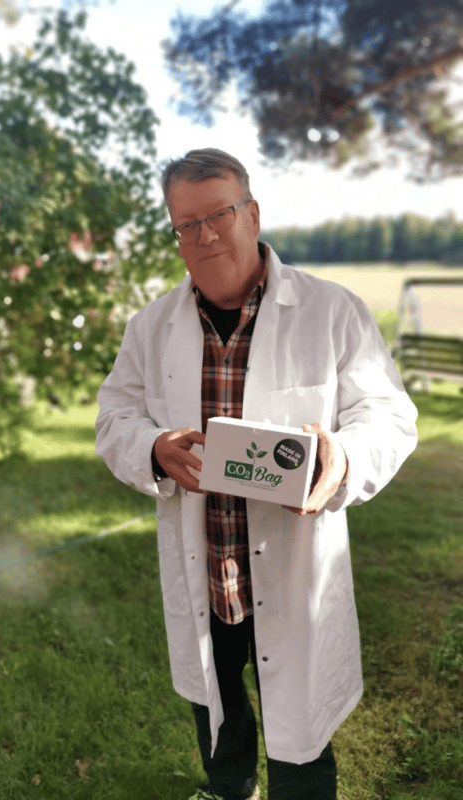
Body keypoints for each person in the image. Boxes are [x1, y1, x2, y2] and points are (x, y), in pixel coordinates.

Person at [95, 148, 418, 800]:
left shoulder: (331, 310)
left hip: (293, 571)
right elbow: (114, 416)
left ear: (252, 214)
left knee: (301, 731)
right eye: (187, 224)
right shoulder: (151, 326)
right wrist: (154, 447)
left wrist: (343, 458)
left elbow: (388, 415)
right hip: (207, 571)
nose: (205, 235)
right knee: (218, 710)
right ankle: (229, 787)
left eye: (219, 214)